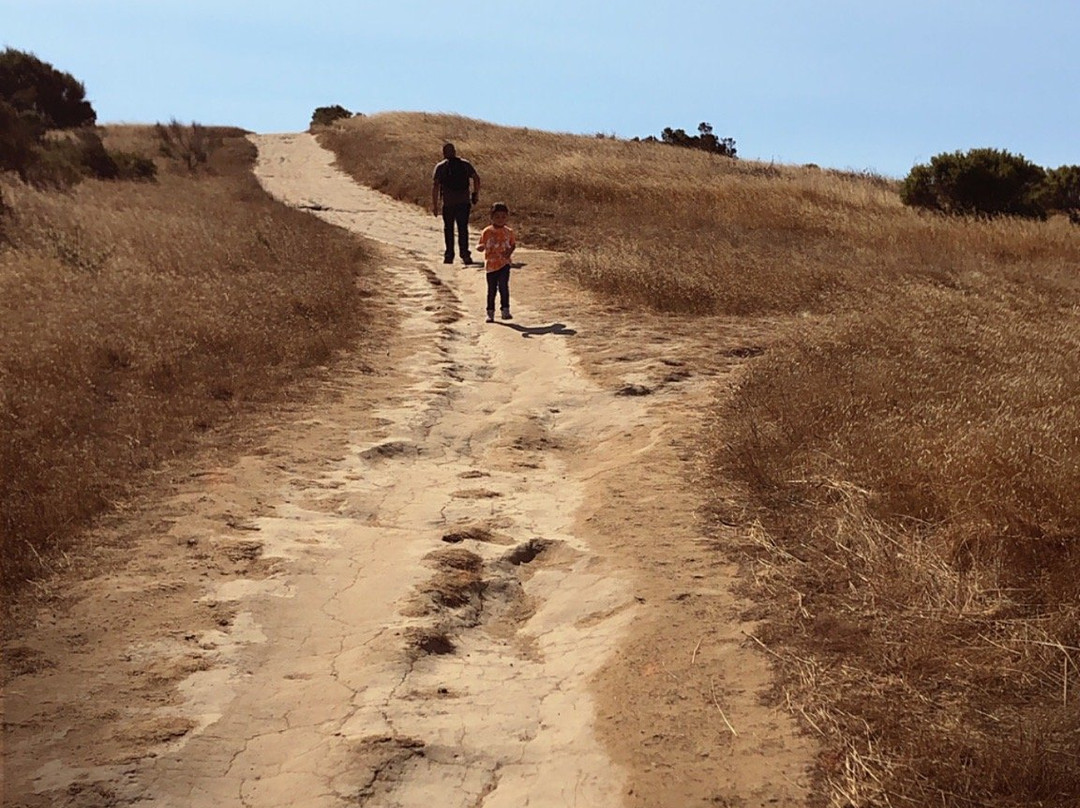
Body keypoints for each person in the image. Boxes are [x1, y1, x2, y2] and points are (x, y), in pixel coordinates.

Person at [432, 143, 480, 264]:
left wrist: (435, 205)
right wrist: (475, 194)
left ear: (443, 153)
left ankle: (449, 256)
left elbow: (436, 186)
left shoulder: (440, 167)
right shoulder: (465, 164)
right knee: (463, 228)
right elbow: (476, 178)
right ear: (455, 151)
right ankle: (465, 255)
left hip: (448, 203)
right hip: (463, 202)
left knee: (449, 229)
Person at [476, 202, 516, 322]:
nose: (500, 219)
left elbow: (513, 244)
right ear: (491, 217)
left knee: (503, 286)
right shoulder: (487, 231)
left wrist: (509, 252)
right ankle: (490, 312)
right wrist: (480, 248)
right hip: (491, 266)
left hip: (504, 264)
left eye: (503, 217)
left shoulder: (509, 232)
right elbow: (480, 244)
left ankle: (505, 310)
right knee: (491, 290)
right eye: (497, 217)